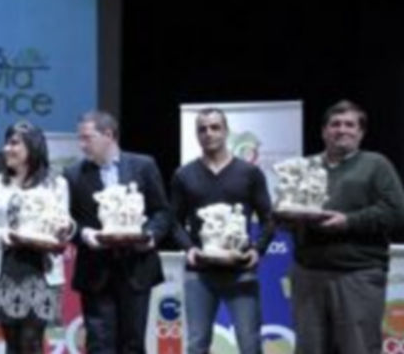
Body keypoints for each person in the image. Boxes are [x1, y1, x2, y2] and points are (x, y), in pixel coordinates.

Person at [287, 100, 404, 354]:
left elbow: (395, 212)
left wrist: (348, 222)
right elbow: (285, 208)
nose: (342, 130)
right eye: (335, 124)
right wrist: (288, 217)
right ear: (323, 131)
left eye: (350, 125)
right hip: (308, 275)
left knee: (357, 347)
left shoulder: (376, 165)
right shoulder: (304, 167)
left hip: (357, 275)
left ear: (361, 132)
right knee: (309, 349)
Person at [64, 110, 172, 354]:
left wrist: (150, 236)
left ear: (109, 135)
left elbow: (162, 213)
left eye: (87, 138)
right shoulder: (73, 174)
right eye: (80, 139)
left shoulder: (143, 166)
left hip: (136, 269)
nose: (82, 145)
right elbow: (67, 221)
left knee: (133, 344)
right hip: (95, 272)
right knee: (99, 345)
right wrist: (85, 235)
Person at [170, 108, 273, 354]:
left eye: (215, 127)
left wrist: (258, 251)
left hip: (241, 271)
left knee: (250, 344)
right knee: (197, 344)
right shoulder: (184, 175)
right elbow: (173, 221)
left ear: (226, 131)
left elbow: (269, 218)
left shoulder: (250, 173)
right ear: (196, 135)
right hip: (200, 273)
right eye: (202, 129)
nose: (209, 133)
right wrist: (189, 249)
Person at [0, 121, 71, 354]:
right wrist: (3, 235)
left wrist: (64, 228)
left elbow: (65, 223)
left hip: (40, 272)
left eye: (14, 143)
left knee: (32, 343)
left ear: (33, 147)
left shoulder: (56, 184)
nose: (7, 148)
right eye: (6, 143)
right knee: (12, 344)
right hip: (4, 271)